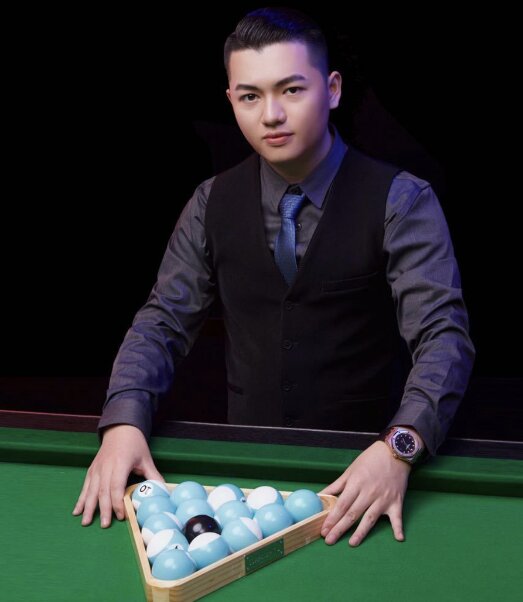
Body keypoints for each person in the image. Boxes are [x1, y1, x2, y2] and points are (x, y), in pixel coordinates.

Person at [73, 7, 474, 547]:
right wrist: (124, 419)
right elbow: (162, 322)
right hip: (246, 478)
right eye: (250, 96)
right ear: (231, 101)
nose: (271, 115)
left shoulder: (402, 200)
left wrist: (400, 445)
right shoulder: (210, 202)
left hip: (365, 467)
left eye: (291, 90)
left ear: (333, 89)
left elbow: (443, 336)